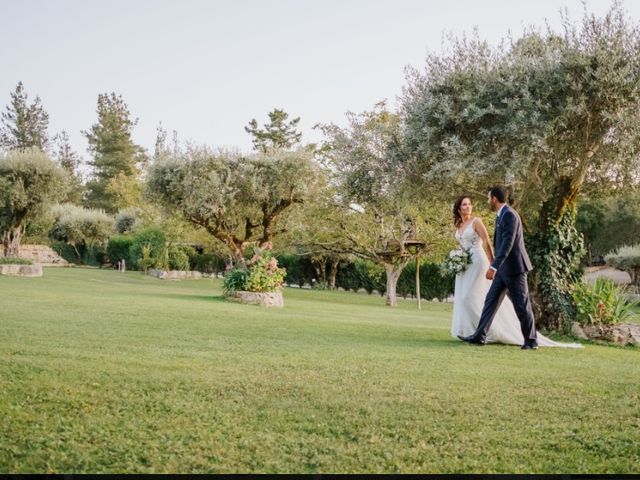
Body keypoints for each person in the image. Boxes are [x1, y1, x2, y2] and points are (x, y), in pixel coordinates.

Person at [451, 189, 581, 348]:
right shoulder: (501, 215)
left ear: (494, 199)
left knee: (522, 305)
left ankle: (531, 341)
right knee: (490, 302)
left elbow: (507, 244)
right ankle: (479, 336)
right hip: (503, 270)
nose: (487, 201)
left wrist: (493, 266)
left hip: (515, 268)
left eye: (488, 198)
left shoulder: (510, 215)